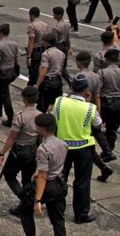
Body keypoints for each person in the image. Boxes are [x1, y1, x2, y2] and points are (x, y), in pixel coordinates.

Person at [54, 74, 102, 224]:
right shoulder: (90, 108)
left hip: (62, 146)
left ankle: (57, 208)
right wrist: (88, 101)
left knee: (60, 178)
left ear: (71, 88)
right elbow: (98, 124)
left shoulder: (60, 102)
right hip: (83, 149)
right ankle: (81, 214)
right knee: (82, 182)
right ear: (86, 90)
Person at [17, 113, 68, 236]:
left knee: (25, 211)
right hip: (59, 183)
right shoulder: (63, 143)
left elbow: (43, 176)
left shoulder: (43, 149)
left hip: (47, 186)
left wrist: (37, 200)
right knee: (58, 219)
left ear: (41, 129)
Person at [0, 86, 40, 216]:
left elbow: (12, 137)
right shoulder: (40, 115)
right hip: (33, 150)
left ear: (24, 99)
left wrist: (2, 152)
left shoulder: (20, 117)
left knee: (9, 175)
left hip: (20, 150)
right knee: (27, 179)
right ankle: (27, 202)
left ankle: (25, 201)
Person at [76, 49, 116, 175]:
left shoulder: (79, 77)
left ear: (78, 62)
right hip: (93, 106)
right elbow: (97, 95)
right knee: (97, 131)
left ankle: (103, 164)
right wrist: (98, 112)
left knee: (85, 138)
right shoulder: (95, 76)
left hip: (81, 108)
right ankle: (107, 151)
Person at [0, 23, 20, 126]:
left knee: (5, 95)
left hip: (3, 72)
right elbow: (16, 59)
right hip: (11, 71)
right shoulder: (14, 43)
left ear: (0, 33)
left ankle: (10, 117)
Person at [35, 33, 68, 112]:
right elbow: (63, 68)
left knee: (43, 105)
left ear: (47, 43)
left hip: (48, 82)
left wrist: (37, 85)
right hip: (58, 81)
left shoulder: (46, 54)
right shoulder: (62, 54)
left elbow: (44, 71)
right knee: (56, 104)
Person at [98, 48, 120, 163]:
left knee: (97, 127)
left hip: (106, 102)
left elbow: (98, 90)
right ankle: (109, 149)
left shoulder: (102, 72)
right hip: (118, 102)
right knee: (113, 128)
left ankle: (106, 150)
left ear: (107, 59)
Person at [26, 7, 50, 85]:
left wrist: (29, 56)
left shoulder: (32, 25)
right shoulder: (45, 25)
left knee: (33, 70)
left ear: (31, 15)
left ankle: (33, 85)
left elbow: (31, 42)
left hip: (35, 50)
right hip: (43, 48)